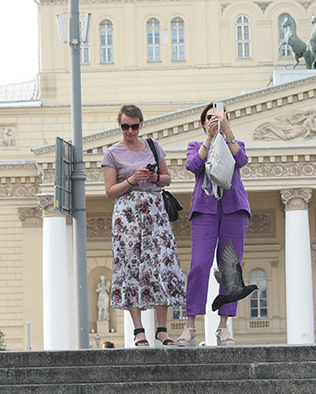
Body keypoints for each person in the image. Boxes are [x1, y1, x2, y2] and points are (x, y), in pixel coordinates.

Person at [101, 104, 187, 347]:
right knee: (131, 268)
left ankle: (162, 329)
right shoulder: (112, 153)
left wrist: (153, 178)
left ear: (141, 125)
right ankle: (139, 330)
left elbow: (167, 177)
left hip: (155, 212)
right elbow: (110, 191)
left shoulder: (153, 145)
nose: (130, 131)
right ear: (119, 126)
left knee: (163, 263)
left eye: (134, 126)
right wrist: (132, 179)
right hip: (128, 215)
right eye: (125, 126)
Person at [176, 102, 249, 347]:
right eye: (209, 118)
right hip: (205, 210)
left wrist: (227, 134)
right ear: (203, 123)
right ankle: (190, 326)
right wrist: (209, 138)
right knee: (198, 265)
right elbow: (194, 166)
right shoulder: (196, 146)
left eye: (219, 117)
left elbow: (242, 160)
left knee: (230, 267)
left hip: (233, 208)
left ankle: (223, 327)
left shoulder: (235, 144)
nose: (214, 121)